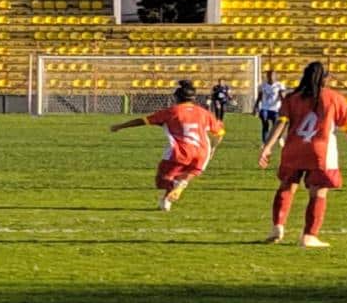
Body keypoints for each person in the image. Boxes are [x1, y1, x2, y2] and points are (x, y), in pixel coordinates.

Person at [259, 61, 347, 248]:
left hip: (293, 149)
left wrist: (268, 147)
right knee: (318, 191)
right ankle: (309, 236)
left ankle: (277, 226)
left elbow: (281, 123)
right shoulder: (334, 98)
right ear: (325, 78)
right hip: (320, 151)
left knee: (286, 186)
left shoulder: (293, 98)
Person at [110, 80, 225, 211]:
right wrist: (213, 149)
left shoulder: (172, 111)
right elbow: (220, 133)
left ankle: (172, 189)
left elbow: (143, 121)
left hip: (180, 151)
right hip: (202, 152)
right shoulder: (204, 113)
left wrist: (121, 126)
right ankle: (171, 196)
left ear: (176, 97)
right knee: (189, 173)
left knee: (163, 179)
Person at [253, 70, 286, 144]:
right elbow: (259, 97)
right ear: (267, 76)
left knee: (276, 126)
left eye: (272, 75)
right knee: (265, 124)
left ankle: (280, 137)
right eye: (269, 75)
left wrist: (285, 106)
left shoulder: (279, 85)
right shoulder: (262, 86)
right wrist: (256, 107)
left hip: (276, 109)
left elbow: (282, 97)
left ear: (275, 76)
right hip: (265, 108)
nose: (271, 77)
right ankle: (264, 142)